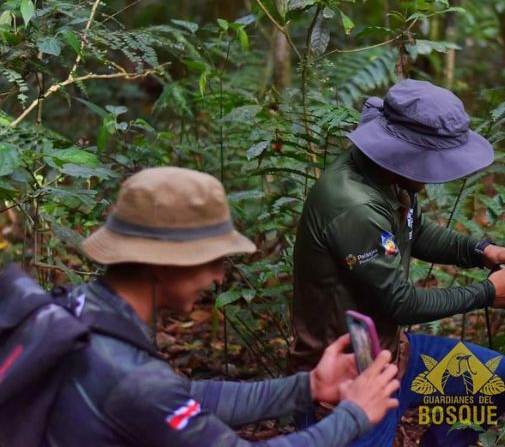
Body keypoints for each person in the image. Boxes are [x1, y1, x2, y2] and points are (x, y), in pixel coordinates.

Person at [44, 166, 400, 447]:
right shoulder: (131, 376)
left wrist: (307, 387)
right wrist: (354, 415)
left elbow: (181, 397)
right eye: (212, 259)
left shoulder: (80, 308)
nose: (218, 276)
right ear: (164, 262)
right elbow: (156, 394)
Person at [289, 79, 505, 446]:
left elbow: (417, 232)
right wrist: (487, 293)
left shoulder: (388, 179)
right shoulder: (354, 206)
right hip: (347, 379)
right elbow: (399, 303)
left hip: (392, 354)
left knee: (496, 380)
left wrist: (482, 252)